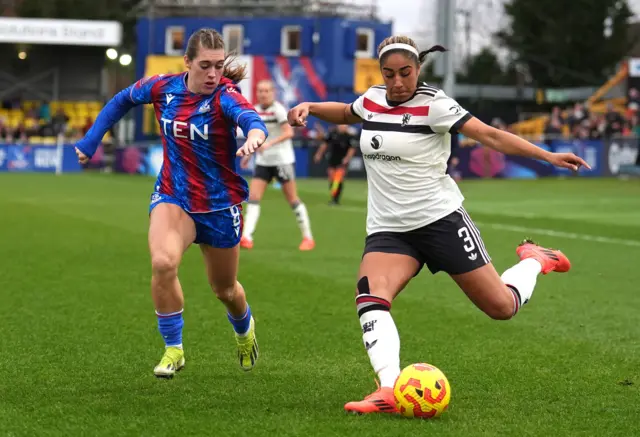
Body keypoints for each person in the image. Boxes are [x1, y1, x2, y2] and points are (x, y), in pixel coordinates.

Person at [287, 35, 590, 415]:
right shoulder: (373, 99)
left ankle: (534, 259)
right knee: (370, 296)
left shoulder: (435, 105)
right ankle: (387, 389)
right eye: (389, 73)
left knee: (501, 307)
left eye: (406, 73)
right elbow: (347, 113)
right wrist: (310, 106)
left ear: (418, 69)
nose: (397, 82)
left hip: (440, 221)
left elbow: (491, 135)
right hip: (389, 228)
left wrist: (547, 155)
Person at [74, 28, 267, 378]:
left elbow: (250, 118)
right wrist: (91, 140)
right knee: (163, 263)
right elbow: (123, 99)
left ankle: (244, 330)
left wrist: (255, 135)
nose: (213, 74)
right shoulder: (164, 87)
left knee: (224, 289)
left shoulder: (226, 96)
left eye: (219, 66)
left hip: (219, 206)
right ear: (187, 62)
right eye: (205, 65)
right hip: (173, 195)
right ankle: (174, 350)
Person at [239, 79, 315, 251]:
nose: (263, 94)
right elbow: (256, 135)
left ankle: (308, 238)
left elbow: (289, 132)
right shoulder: (255, 111)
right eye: (260, 91)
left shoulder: (279, 110)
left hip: (282, 160)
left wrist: (269, 144)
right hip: (263, 161)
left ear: (273, 93)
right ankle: (246, 237)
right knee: (254, 197)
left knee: (292, 199)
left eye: (266, 91)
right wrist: (249, 154)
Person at [313, 124, 359, 205]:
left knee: (338, 179)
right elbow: (324, 144)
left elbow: (352, 149)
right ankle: (333, 197)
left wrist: (347, 158)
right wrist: (318, 154)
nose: (342, 127)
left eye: (344, 126)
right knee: (332, 178)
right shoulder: (332, 133)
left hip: (342, 161)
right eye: (341, 125)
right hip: (332, 159)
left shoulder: (349, 136)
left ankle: (335, 199)